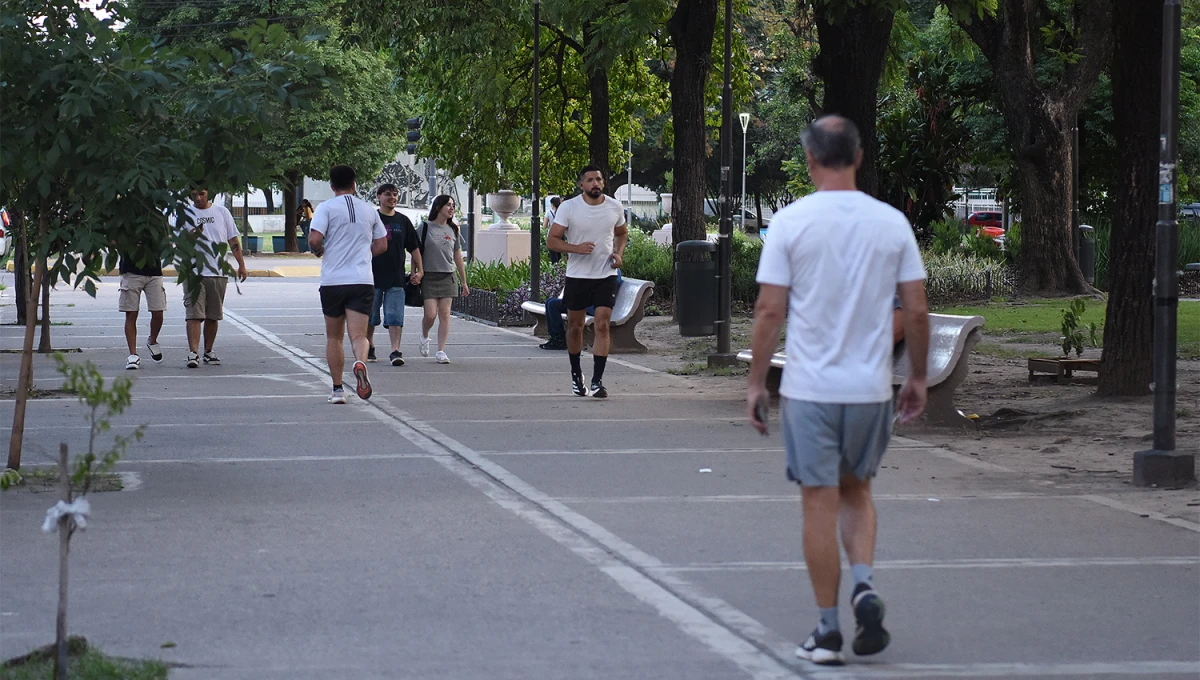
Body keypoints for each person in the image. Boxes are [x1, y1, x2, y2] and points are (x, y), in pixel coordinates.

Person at [745, 115, 930, 667]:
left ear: (809, 159)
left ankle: (827, 632)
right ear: (860, 156)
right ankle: (864, 585)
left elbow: (769, 309)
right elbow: (916, 309)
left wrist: (756, 381)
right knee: (858, 492)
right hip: (870, 390)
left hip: (810, 390)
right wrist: (916, 376)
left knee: (818, 504)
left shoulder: (791, 223)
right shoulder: (892, 222)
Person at [546, 165, 628, 398]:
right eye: (590, 180)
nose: (595, 184)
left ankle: (597, 381)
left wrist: (619, 253)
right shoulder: (569, 207)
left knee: (602, 324)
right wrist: (576, 248)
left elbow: (622, 233)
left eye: (599, 179)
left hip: (606, 275)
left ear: (603, 183)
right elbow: (552, 241)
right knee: (576, 327)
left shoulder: (614, 206)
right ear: (581, 184)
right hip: (578, 276)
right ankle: (576, 375)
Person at [308, 165, 387, 403]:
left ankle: (337, 390)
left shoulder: (326, 208)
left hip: (333, 281)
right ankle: (361, 362)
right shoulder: (369, 210)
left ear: (331, 186)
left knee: (334, 337)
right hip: (362, 280)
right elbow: (382, 244)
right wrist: (364, 254)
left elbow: (314, 239)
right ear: (354, 183)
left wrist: (319, 250)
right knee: (359, 335)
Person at [179, 188, 248, 369]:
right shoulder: (186, 214)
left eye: (201, 193)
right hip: (194, 272)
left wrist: (241, 264)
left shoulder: (222, 212)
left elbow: (233, 240)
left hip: (217, 271)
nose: (199, 198)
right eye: (194, 195)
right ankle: (193, 353)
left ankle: (208, 350)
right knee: (194, 314)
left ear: (208, 193)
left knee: (213, 315)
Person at [367, 184, 423, 366]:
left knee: (395, 316)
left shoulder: (403, 221)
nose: (392, 197)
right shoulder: (372, 219)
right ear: (378, 197)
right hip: (371, 276)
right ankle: (369, 346)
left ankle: (395, 351)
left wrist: (419, 271)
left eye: (395, 194)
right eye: (388, 194)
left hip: (396, 277)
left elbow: (414, 247)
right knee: (370, 316)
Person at [417, 195, 469, 364]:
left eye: (453, 205)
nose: (451, 208)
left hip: (448, 275)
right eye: (448, 205)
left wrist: (464, 281)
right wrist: (416, 272)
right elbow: (415, 252)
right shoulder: (425, 227)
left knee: (445, 314)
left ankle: (441, 350)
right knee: (431, 314)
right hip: (430, 275)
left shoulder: (454, 229)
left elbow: (457, 256)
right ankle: (424, 335)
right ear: (438, 207)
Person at [539, 270, 622, 351]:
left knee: (553, 305)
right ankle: (555, 337)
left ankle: (559, 339)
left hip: (592, 306)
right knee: (550, 302)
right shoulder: (595, 268)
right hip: (581, 301)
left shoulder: (613, 271)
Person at [118, 246, 166, 370]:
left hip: (153, 271)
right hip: (131, 270)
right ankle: (133, 354)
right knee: (131, 314)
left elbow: (164, 240)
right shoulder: (124, 226)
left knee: (158, 312)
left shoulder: (157, 225)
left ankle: (152, 340)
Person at [545, 196, 563, 264]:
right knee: (559, 255)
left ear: (552, 204)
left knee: (553, 256)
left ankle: (554, 269)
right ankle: (560, 269)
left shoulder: (549, 212)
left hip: (551, 235)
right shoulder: (562, 212)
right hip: (561, 235)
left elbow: (545, 226)